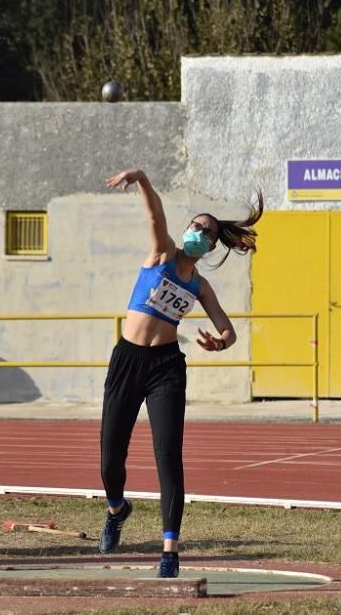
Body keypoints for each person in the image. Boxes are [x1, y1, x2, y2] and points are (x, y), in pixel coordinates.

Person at [99, 169, 262, 578]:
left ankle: (170, 552)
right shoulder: (163, 255)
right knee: (109, 460)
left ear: (209, 245)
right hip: (127, 361)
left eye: (204, 231)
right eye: (194, 224)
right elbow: (155, 217)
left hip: (166, 367)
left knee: (168, 456)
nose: (197, 231)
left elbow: (229, 329)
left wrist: (220, 343)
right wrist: (141, 180)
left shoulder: (200, 286)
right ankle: (117, 509)